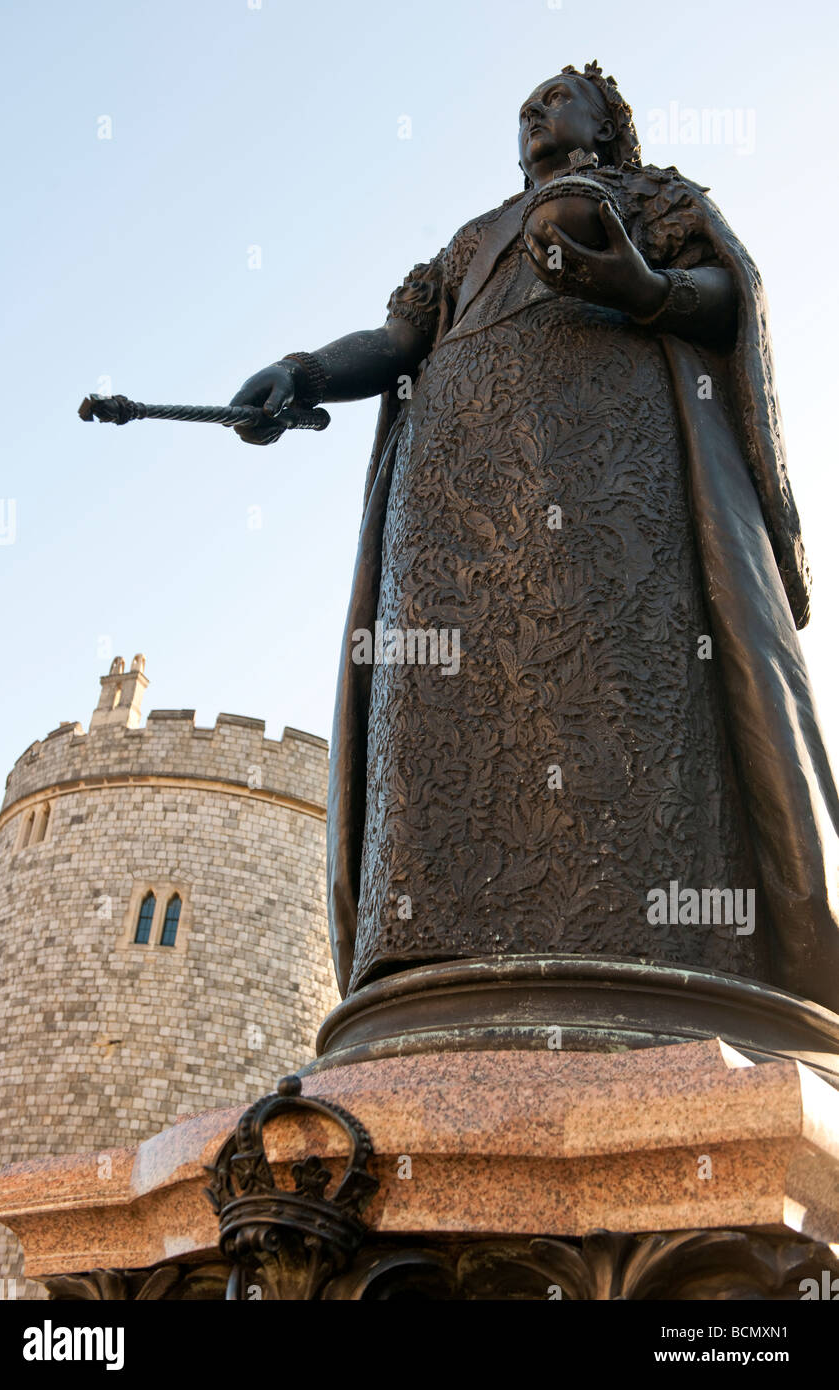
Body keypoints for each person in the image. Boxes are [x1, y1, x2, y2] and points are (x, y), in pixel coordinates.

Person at [230, 62, 839, 1010]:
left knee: (619, 683)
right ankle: (434, 972)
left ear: (609, 123)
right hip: (456, 499)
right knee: (448, 713)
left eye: (558, 97)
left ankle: (660, 961)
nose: (534, 112)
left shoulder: (650, 198)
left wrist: (640, 287)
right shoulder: (471, 241)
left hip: (608, 470)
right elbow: (398, 347)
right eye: (527, 105)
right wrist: (302, 371)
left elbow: (726, 301)